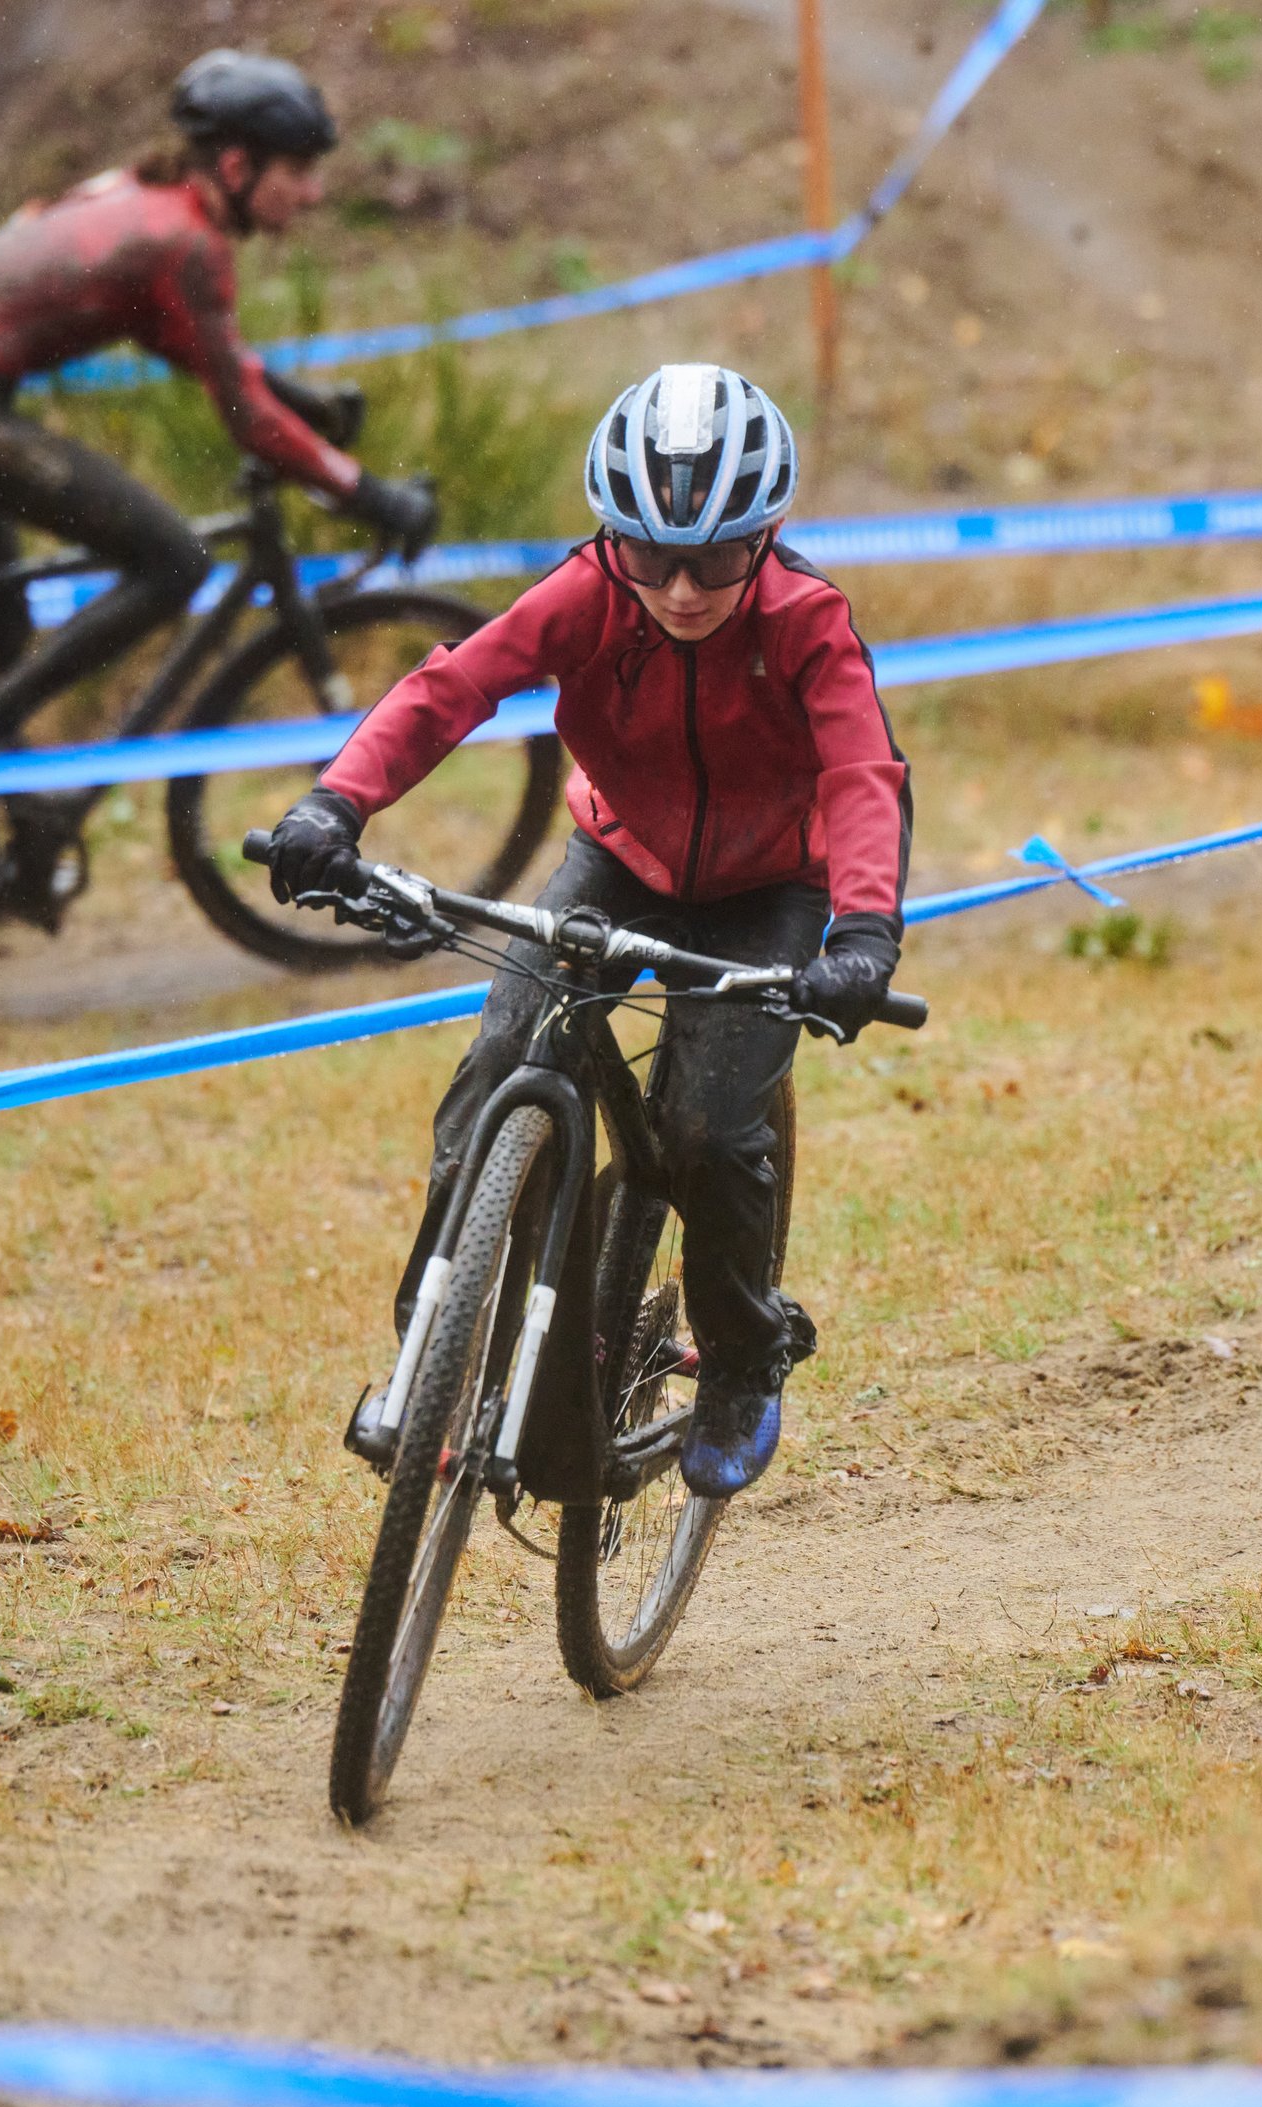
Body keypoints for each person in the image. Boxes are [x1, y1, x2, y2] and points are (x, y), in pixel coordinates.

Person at [263, 363, 911, 1500]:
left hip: (770, 891)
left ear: (765, 537)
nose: (680, 589)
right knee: (493, 1073)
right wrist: (334, 805)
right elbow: (449, 690)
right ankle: (434, 1350)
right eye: (649, 556)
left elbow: (861, 775)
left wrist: (861, 934)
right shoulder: (586, 594)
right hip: (618, 860)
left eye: (716, 559)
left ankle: (743, 1354)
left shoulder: (806, 622)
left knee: (707, 1134)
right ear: (612, 539)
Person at [0, 50, 440, 923]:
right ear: (237, 166)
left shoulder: (141, 198)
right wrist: (371, 495)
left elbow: (181, 337)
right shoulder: (189, 239)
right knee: (173, 560)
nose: (314, 194)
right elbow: (246, 419)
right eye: (299, 172)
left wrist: (299, 400)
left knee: (0, 631)